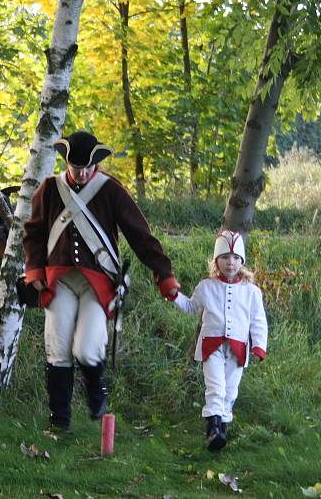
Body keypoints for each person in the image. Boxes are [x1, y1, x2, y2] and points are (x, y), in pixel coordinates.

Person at [23, 130, 180, 431]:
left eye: (86, 168)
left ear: (96, 164)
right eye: (75, 167)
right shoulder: (50, 188)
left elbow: (140, 235)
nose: (81, 173)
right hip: (59, 281)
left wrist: (164, 274)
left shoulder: (110, 190)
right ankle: (60, 423)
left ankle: (97, 393)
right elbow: (34, 234)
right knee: (57, 347)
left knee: (87, 348)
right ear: (66, 163)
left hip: (98, 283)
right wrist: (34, 272)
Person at [172, 230, 268, 451]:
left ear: (242, 261)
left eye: (235, 258)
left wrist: (259, 346)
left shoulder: (252, 292)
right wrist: (172, 294)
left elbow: (258, 321)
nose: (230, 263)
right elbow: (190, 307)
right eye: (225, 257)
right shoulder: (206, 286)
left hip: (238, 349)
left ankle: (221, 431)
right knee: (215, 386)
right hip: (211, 346)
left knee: (230, 390)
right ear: (216, 260)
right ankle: (213, 428)